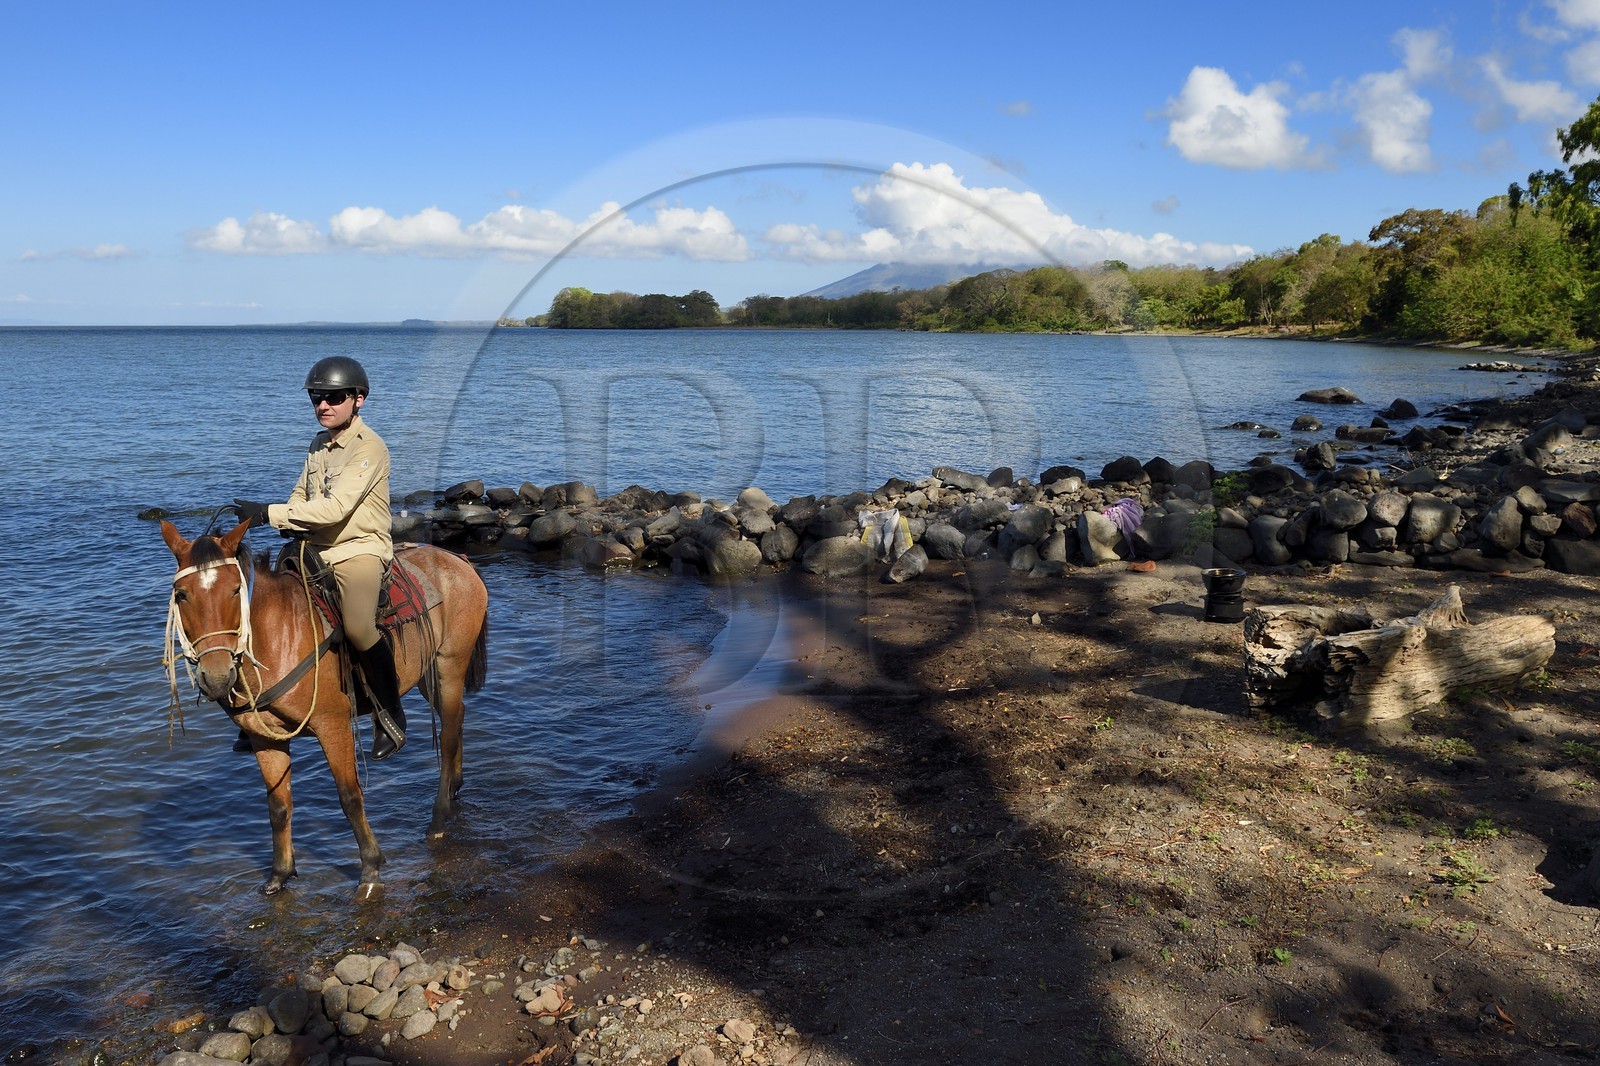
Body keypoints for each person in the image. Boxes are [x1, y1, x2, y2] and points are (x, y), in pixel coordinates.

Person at [234, 356, 406, 760]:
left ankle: (390, 712)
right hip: (315, 547)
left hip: (357, 549)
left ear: (358, 399)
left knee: (360, 627)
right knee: (264, 602)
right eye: (317, 397)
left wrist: (267, 513)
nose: (323, 405)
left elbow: (336, 509)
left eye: (333, 397)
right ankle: (262, 705)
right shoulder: (318, 445)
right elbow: (300, 495)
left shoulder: (370, 448)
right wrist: (284, 514)